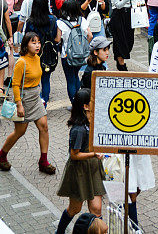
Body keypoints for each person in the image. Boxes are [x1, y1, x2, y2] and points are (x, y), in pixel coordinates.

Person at [0, 32, 57, 174]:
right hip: (24, 98)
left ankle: (43, 161)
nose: (37, 45)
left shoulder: (37, 58)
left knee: (44, 127)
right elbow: (15, 84)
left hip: (35, 96)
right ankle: (1, 155)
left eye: (38, 42)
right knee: (20, 132)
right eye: (33, 42)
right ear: (26, 45)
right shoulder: (21, 62)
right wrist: (19, 104)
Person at [55, 88, 106, 234]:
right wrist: (93, 154)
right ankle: (60, 232)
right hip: (80, 171)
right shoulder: (78, 130)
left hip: (94, 168)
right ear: (85, 106)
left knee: (96, 209)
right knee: (74, 209)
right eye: (92, 100)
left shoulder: (93, 122)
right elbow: (74, 155)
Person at [24, 0, 60, 104]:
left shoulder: (30, 21)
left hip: (34, 54)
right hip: (48, 54)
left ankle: (35, 101)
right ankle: (44, 100)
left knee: (35, 79)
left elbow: (26, 39)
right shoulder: (53, 19)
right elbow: (57, 38)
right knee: (46, 79)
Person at [58, 0, 92, 102]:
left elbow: (58, 39)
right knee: (75, 75)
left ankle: (75, 104)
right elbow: (90, 35)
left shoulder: (60, 23)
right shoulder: (82, 20)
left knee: (70, 79)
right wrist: (84, 46)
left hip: (67, 56)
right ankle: (80, 102)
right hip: (81, 55)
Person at [108, 0, 135, 71]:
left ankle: (120, 62)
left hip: (129, 15)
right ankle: (121, 64)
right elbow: (118, 5)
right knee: (120, 41)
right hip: (118, 17)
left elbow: (134, 2)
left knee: (129, 40)